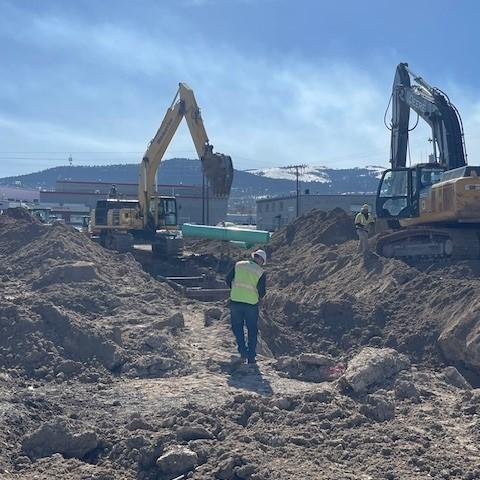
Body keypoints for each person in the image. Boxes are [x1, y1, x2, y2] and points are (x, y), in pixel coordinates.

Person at [225, 249, 267, 366]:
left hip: (236, 301)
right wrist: (256, 296)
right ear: (261, 260)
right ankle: (251, 357)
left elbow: (227, 279)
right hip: (251, 304)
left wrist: (235, 290)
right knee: (252, 330)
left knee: (237, 328)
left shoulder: (239, 265)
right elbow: (262, 291)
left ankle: (243, 352)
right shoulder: (260, 271)